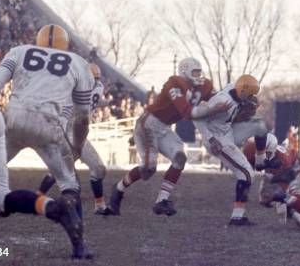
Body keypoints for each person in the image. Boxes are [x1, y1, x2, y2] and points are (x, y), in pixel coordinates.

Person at [0, 25, 95, 258]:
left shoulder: (20, 51)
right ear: (66, 45)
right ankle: (79, 247)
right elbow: (83, 117)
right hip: (49, 125)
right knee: (70, 185)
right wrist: (77, 147)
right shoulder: (79, 63)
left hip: (14, 119)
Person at [108, 57, 219, 217]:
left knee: (180, 158)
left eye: (198, 72)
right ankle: (118, 188)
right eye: (194, 72)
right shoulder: (174, 83)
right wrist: (210, 110)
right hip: (148, 125)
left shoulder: (203, 85)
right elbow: (186, 112)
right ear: (184, 72)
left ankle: (162, 200)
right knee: (149, 168)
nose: (198, 75)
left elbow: (218, 97)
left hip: (165, 128)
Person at [193, 74, 269, 225]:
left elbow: (235, 95)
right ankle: (237, 216)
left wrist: (246, 109)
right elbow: (197, 117)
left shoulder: (234, 89)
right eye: (249, 95)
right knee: (247, 174)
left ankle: (261, 162)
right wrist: (210, 138)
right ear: (241, 91)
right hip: (217, 138)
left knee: (260, 126)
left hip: (227, 131)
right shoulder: (223, 101)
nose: (251, 97)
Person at [37, 62, 110, 215]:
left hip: (79, 130)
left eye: (95, 79)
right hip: (71, 130)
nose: (93, 82)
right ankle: (38, 197)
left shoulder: (93, 86)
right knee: (89, 168)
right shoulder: (76, 87)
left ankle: (99, 205)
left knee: (92, 169)